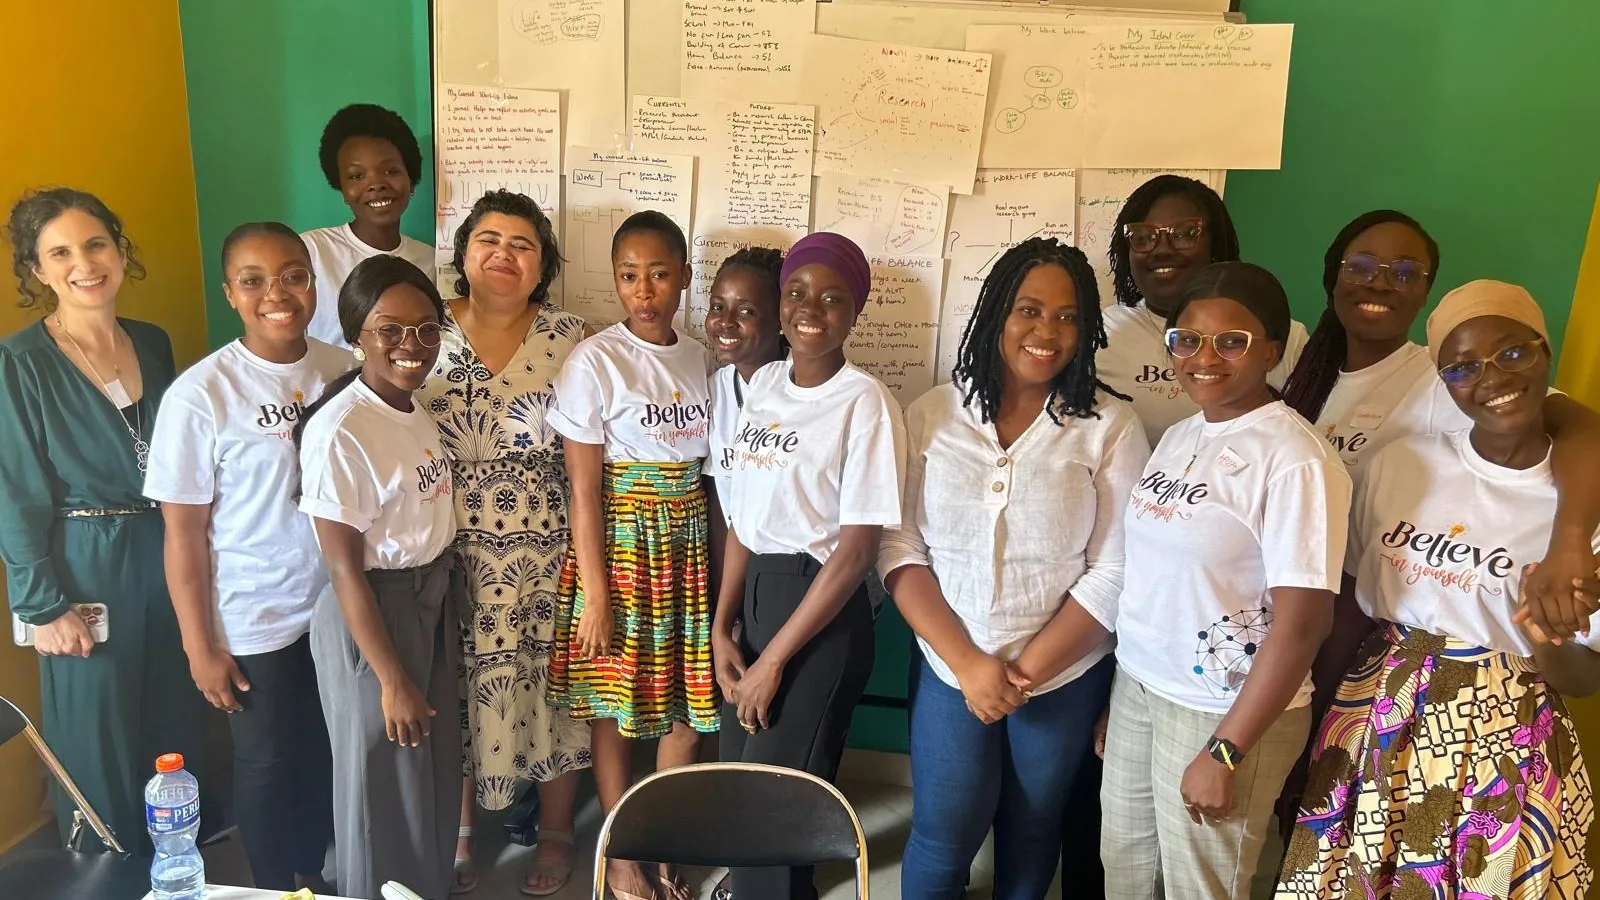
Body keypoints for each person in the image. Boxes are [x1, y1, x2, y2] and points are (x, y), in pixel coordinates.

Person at [1275, 280, 1600, 899]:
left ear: (1544, 352)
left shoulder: (1584, 505)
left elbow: (1584, 678)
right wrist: (1312, 724)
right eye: (1462, 367)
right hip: (1375, 716)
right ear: (1444, 381)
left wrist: (1548, 635)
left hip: (1505, 742)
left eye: (1512, 353)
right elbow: (1350, 604)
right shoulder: (1403, 464)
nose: (1492, 378)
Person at [884, 238, 1148, 900]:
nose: (1048, 331)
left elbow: (1114, 572)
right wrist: (972, 669)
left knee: (1033, 835)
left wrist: (1021, 676)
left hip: (1061, 677)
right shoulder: (932, 414)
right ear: (997, 312)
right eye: (1029, 309)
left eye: (1068, 317)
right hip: (953, 669)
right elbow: (900, 549)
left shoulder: (1109, 426)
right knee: (941, 841)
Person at [1101, 262, 1351, 900]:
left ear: (1271, 350)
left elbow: (1303, 625)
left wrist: (1227, 751)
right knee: (1125, 872)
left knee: (1201, 887)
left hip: (1224, 711)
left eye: (1230, 341)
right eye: (1186, 339)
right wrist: (1124, 697)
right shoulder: (1182, 434)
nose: (1203, 357)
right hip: (1142, 688)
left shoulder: (1296, 459)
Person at [1283, 209, 1600, 642]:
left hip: (1375, 627)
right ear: (1332, 277)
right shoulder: (1304, 372)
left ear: (1424, 292)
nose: (1379, 283)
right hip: (1294, 609)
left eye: (1406, 273)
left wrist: (1570, 543)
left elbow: (1585, 432)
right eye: (1359, 267)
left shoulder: (1452, 378)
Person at [0, 187, 205, 851]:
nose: (83, 263)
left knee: (171, 712)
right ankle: (106, 862)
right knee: (99, 728)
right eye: (59, 252)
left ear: (120, 249)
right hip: (84, 561)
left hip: (164, 547)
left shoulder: (151, 342)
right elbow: (15, 491)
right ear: (37, 271)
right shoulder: (20, 363)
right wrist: (40, 604)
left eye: (95, 243)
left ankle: (179, 862)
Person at [144, 222, 346, 892]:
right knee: (266, 762)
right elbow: (183, 535)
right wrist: (199, 646)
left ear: (313, 282)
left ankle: (312, 874)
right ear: (230, 292)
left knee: (324, 752)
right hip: (256, 612)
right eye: (254, 280)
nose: (277, 293)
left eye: (292, 275)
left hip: (338, 605)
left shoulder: (340, 371)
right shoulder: (202, 394)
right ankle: (269, 885)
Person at [715, 232, 907, 900]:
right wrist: (723, 625)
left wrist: (773, 664)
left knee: (770, 806)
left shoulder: (866, 403)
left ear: (855, 311)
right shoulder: (764, 383)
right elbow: (743, 513)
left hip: (819, 612)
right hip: (756, 598)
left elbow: (856, 552)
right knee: (742, 793)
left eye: (832, 298)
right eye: (797, 293)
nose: (810, 310)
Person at [416, 190, 591, 897]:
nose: (503, 255)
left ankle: (555, 830)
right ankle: (461, 830)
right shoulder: (421, 329)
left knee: (552, 687)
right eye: (488, 239)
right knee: (458, 685)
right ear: (462, 254)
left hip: (550, 548)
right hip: (450, 548)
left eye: (523, 245)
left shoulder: (575, 337)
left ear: (544, 263)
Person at [546, 210, 716, 900]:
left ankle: (665, 836)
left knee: (684, 703)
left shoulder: (703, 356)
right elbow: (583, 490)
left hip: (687, 548)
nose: (642, 289)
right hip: (619, 548)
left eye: (658, 273)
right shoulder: (596, 359)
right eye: (627, 275)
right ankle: (620, 853)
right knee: (615, 706)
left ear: (682, 277)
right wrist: (595, 592)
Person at [296, 255, 462, 900]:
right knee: (379, 788)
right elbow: (342, 567)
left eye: (426, 329)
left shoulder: (408, 407)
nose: (411, 346)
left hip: (425, 603)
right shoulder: (343, 430)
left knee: (425, 773)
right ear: (358, 335)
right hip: (374, 618)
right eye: (390, 330)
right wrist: (390, 679)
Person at [1097, 175, 1310, 447]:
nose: (1162, 249)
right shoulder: (1103, 335)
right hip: (1152, 486)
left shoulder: (1278, 334)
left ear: (1214, 245)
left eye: (1184, 234)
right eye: (1143, 237)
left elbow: (1306, 434)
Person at [301, 103, 435, 348]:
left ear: (411, 179)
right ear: (341, 188)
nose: (375, 184)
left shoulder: (432, 262)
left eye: (391, 171)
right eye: (356, 176)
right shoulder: (310, 253)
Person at [704, 246, 787, 521]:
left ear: (780, 319)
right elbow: (718, 495)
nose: (725, 322)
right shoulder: (714, 389)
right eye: (717, 307)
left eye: (746, 312)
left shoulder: (808, 388)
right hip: (737, 559)